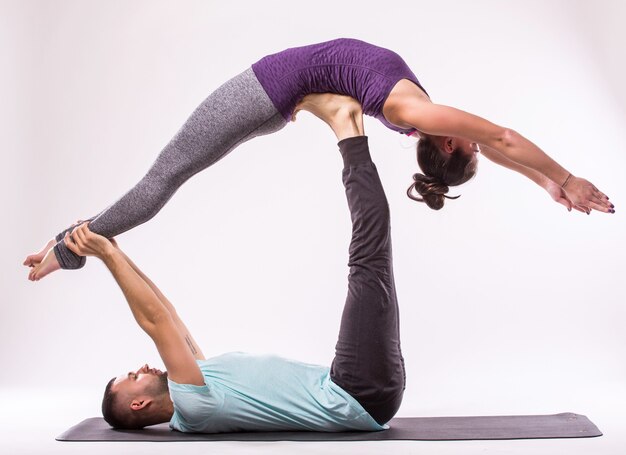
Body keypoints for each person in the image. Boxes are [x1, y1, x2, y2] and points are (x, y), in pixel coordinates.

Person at [24, 38, 614, 281]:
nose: (474, 138)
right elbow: (499, 147)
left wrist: (564, 176)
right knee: (171, 172)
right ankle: (70, 245)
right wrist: (545, 185)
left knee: (166, 173)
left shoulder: (420, 115)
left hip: (266, 89)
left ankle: (68, 247)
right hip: (274, 97)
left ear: (451, 145)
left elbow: (502, 136)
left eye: (470, 145)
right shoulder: (417, 118)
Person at [61, 103, 404, 432]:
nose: (141, 369)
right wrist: (106, 254)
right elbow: (155, 321)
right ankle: (347, 126)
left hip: (358, 387)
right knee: (367, 258)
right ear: (139, 405)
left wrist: (117, 252)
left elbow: (168, 312)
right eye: (134, 378)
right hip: (357, 392)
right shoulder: (193, 407)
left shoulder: (199, 378)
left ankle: (349, 124)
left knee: (371, 258)